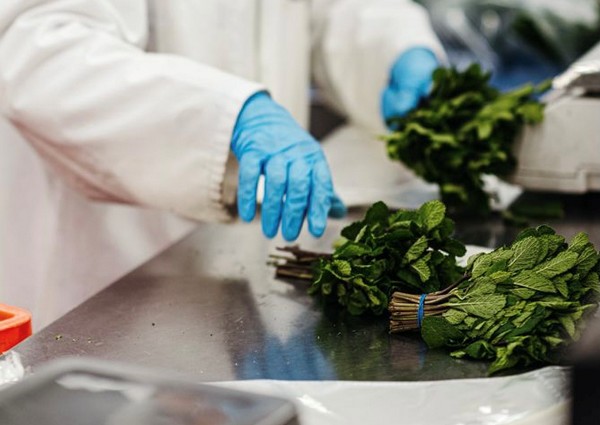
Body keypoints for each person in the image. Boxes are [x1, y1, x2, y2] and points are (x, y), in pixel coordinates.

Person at [0, 0, 443, 330]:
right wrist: (224, 116)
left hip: (246, 264)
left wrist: (393, 50)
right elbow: (41, 50)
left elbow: (326, 11)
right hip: (112, 261)